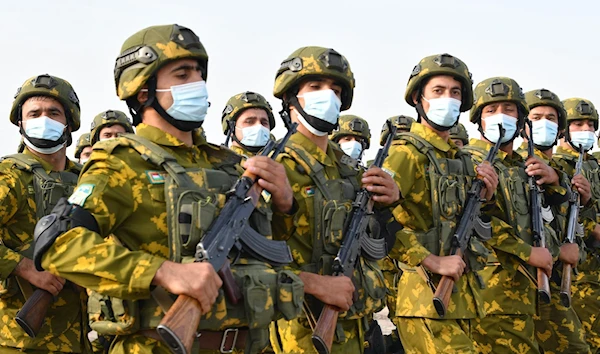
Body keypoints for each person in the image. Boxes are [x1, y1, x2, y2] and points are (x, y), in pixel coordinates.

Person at [35, 24, 304, 354]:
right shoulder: (121, 162)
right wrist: (162, 272)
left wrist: (285, 203)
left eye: (198, 74)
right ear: (143, 90)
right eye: (182, 74)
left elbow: (272, 251)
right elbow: (59, 245)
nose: (197, 84)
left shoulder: (229, 164)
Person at [269, 45, 399, 353]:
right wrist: (314, 284)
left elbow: (384, 244)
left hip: (358, 325)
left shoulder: (352, 171)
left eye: (336, 90)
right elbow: (244, 262)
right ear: (290, 98)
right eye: (315, 87)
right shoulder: (276, 167)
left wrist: (391, 202)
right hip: (304, 329)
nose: (328, 96)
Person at [383, 53, 499, 352]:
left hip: (465, 298)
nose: (448, 99)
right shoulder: (406, 153)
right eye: (438, 91)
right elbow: (377, 220)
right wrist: (429, 259)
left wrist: (486, 196)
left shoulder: (460, 159)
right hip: (424, 298)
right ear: (418, 98)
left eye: (455, 92)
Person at [0, 74, 88, 353]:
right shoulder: (10, 176)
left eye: (53, 113)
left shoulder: (87, 178)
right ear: (21, 123)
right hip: (22, 341)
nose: (44, 119)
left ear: (69, 121)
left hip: (82, 336)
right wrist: (24, 267)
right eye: (34, 114)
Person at [552, 97, 600, 352]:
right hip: (581, 275)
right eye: (578, 124)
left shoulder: (594, 165)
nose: (586, 130)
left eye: (591, 125)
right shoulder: (559, 166)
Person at [221, 91, 275, 157]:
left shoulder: (282, 162)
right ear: (231, 127)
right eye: (249, 121)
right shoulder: (219, 164)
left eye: (264, 122)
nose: (259, 126)